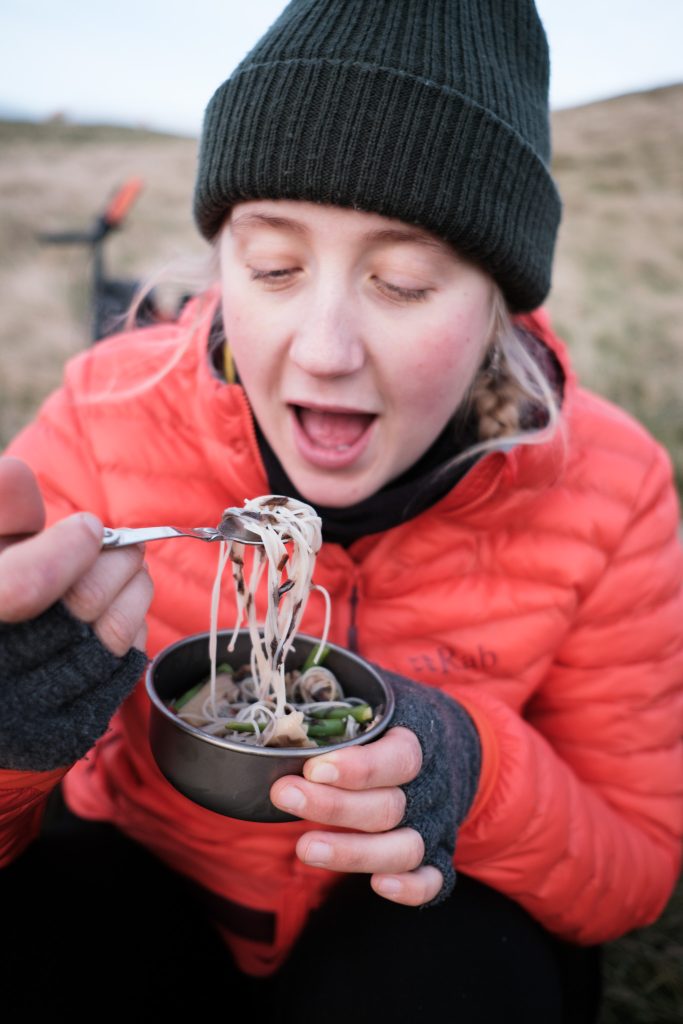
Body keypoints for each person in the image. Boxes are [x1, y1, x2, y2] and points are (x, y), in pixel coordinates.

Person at [1, 2, 681, 1020]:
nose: (323, 348)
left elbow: (632, 867)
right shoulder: (103, 416)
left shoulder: (610, 483)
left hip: (414, 923)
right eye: (274, 267)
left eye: (401, 283)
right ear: (221, 261)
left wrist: (469, 774)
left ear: (496, 299)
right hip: (139, 899)